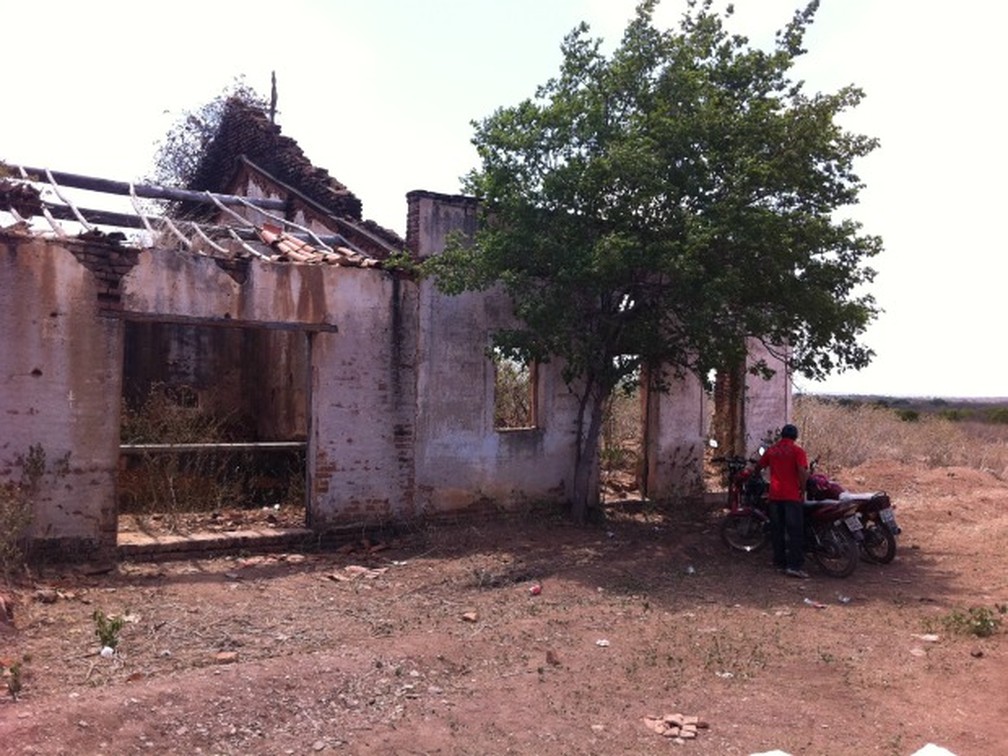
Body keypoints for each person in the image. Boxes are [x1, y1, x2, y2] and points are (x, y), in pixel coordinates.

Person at [756, 423, 810, 578]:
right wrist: (803, 489)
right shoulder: (797, 451)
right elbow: (802, 471)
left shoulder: (772, 450)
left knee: (777, 530)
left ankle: (779, 562)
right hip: (791, 496)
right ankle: (794, 566)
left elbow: (759, 465)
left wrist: (755, 473)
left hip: (775, 496)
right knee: (795, 532)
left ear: (782, 436)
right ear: (795, 436)